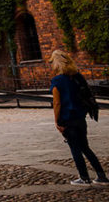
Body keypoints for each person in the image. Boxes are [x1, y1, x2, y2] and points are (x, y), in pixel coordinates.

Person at [50, 50, 108, 186]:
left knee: (75, 149)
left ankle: (84, 177)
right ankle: (101, 176)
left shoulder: (57, 80)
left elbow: (57, 103)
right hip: (80, 118)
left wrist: (57, 121)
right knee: (85, 148)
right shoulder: (77, 77)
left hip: (67, 119)